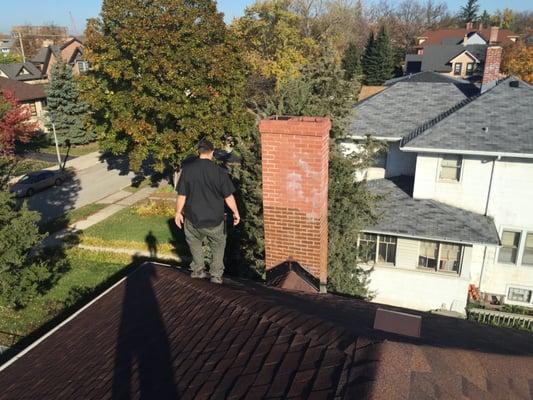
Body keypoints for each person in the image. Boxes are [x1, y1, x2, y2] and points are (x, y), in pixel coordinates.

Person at [175, 139, 240, 284]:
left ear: (199, 152)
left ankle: (198, 270)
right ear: (212, 152)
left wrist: (178, 213)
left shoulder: (188, 170)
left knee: (194, 242)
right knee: (218, 245)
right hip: (215, 221)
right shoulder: (219, 172)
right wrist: (235, 212)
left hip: (193, 219)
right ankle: (216, 275)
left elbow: (182, 195)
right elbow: (228, 196)